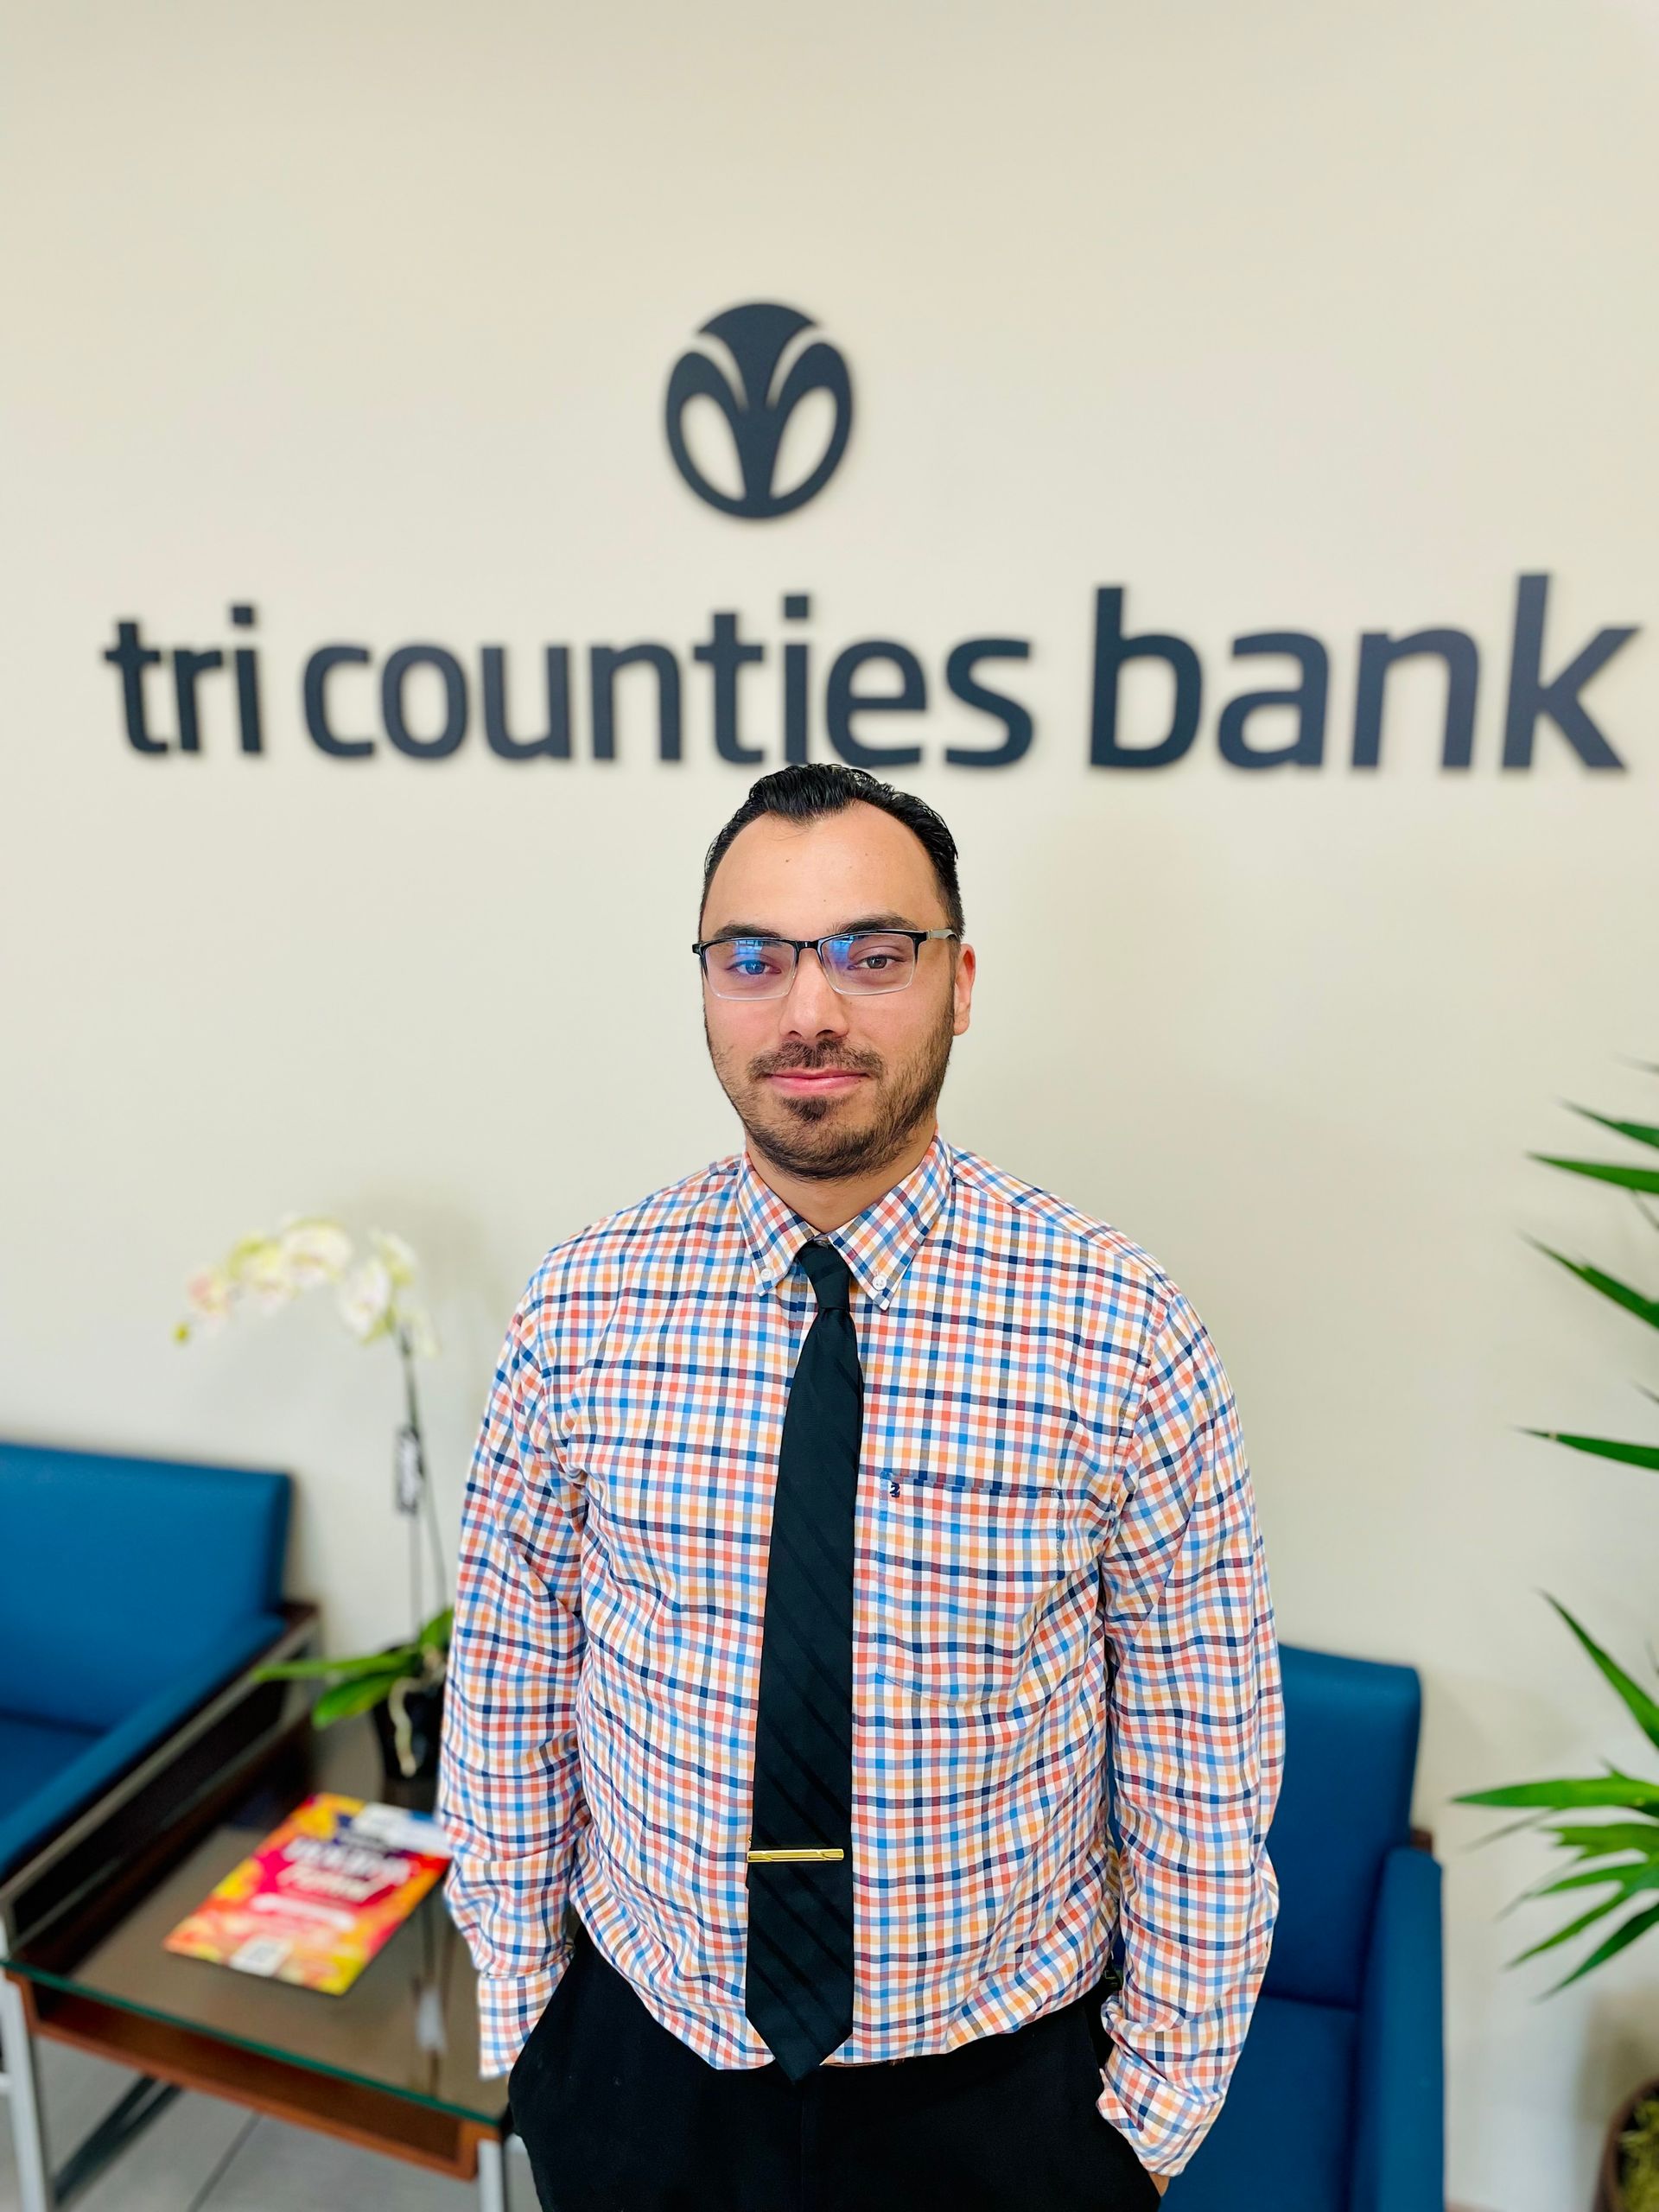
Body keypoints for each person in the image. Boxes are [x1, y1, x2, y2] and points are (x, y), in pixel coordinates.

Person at [436, 762, 1286, 2211]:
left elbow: (1201, 1757)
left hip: (1000, 2104)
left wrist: (1141, 2125)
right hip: (648, 2074)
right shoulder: (580, 1306)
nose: (809, 1011)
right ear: (705, 987)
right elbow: (514, 1686)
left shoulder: (1120, 1327)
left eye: (873, 955)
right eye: (754, 960)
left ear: (960, 982)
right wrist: (529, 2018)